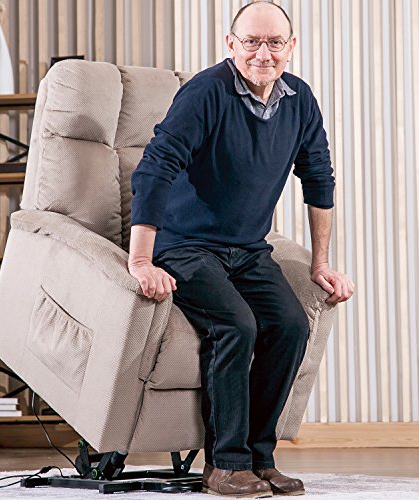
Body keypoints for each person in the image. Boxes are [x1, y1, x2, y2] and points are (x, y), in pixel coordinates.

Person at [128, 1, 354, 497]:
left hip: (249, 249)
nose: (263, 53)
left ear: (291, 47)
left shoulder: (300, 100)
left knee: (291, 325)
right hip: (185, 245)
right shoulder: (205, 92)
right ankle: (225, 466)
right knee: (236, 325)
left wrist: (320, 263)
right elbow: (155, 167)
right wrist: (141, 259)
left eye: (274, 42)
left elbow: (319, 177)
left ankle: (258, 458)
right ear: (231, 44)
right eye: (251, 41)